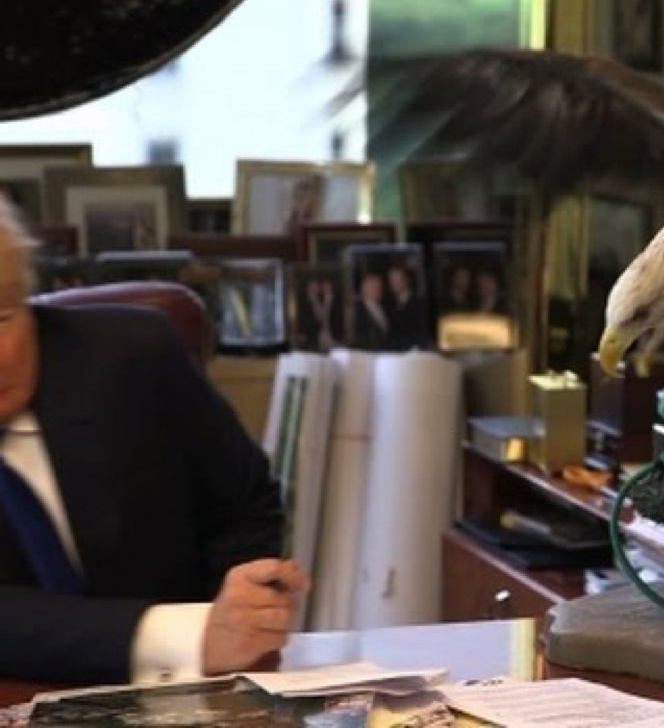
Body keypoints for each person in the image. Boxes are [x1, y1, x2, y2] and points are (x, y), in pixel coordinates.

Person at [0, 196, 308, 685]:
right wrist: (191, 634)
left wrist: (238, 609)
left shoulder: (134, 356)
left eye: (2, 318)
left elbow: (244, 503)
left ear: (29, 303)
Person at [384, 264, 428, 350]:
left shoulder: (419, 303)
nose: (394, 284)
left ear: (407, 280)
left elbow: (422, 332)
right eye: (391, 280)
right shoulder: (388, 303)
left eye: (398, 279)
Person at [350, 269, 389, 349]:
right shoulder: (357, 310)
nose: (379, 290)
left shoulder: (385, 307)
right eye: (375, 287)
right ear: (364, 289)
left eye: (380, 287)